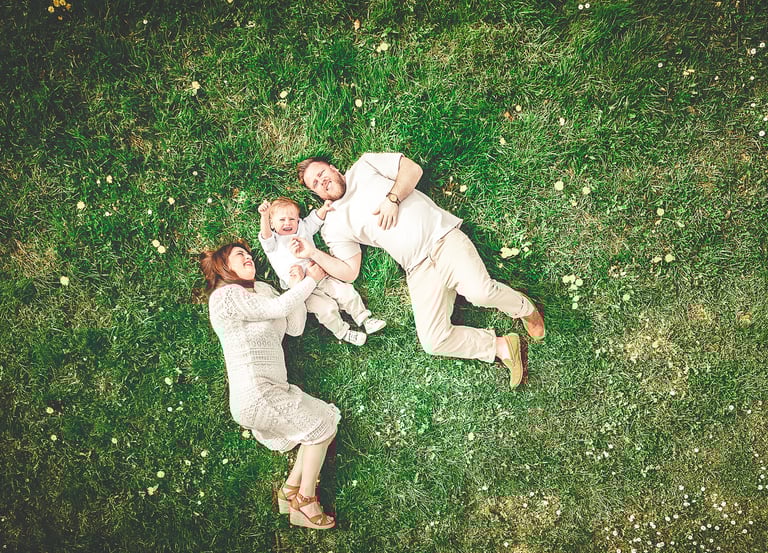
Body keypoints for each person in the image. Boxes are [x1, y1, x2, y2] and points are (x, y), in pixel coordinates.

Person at [291, 153, 546, 388]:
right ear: (316, 193)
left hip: (441, 239)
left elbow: (412, 170)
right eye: (315, 183)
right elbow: (349, 272)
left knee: (480, 293)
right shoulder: (333, 224)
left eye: (322, 173)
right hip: (418, 268)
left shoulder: (365, 165)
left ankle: (525, 309)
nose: (322, 181)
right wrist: (313, 253)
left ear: (334, 168)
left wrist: (392, 199)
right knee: (433, 341)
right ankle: (502, 346)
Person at [200, 242, 337, 529]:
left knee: (326, 418)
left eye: (249, 254)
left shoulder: (261, 292)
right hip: (257, 392)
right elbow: (280, 306)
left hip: (273, 389)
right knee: (320, 430)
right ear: (224, 266)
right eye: (240, 255)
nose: (248, 257)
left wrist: (297, 284)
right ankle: (306, 501)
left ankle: (289, 491)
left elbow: (294, 325)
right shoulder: (224, 297)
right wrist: (313, 278)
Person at [257, 196, 386, 346]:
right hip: (302, 288)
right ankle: (343, 332)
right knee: (326, 309)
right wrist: (264, 216)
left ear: (298, 220)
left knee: (346, 292)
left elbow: (314, 221)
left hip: (322, 275)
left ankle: (364, 318)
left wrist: (324, 209)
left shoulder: (302, 229)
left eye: (292, 219)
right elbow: (265, 235)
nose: (288, 223)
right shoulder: (273, 243)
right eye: (282, 220)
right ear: (272, 224)